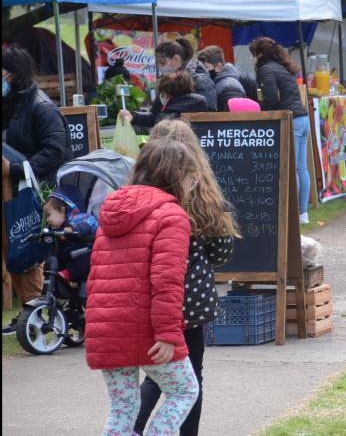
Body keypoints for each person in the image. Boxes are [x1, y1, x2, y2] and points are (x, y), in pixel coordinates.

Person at [85, 139, 200, 435]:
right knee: (185, 390)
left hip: (106, 327)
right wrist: (168, 333)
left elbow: (98, 276)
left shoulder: (111, 212)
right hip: (146, 328)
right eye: (191, 176)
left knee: (123, 409)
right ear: (177, 176)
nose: (194, 183)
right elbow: (167, 282)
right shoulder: (172, 216)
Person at [134, 119, 238, 436]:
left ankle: (135, 428)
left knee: (156, 373)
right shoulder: (204, 197)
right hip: (192, 303)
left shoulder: (138, 197)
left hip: (149, 299)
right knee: (191, 374)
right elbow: (222, 249)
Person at [2, 46, 70, 334]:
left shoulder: (41, 107)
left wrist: (16, 170)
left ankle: (35, 315)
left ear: (13, 74)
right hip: (11, 191)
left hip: (32, 191)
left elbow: (55, 151)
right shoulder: (11, 103)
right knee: (14, 251)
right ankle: (26, 316)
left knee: (27, 251)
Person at [249, 36, 311, 224]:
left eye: (252, 54)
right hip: (302, 118)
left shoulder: (266, 69)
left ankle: (292, 213)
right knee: (301, 167)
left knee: (291, 167)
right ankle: (303, 214)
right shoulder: (284, 67)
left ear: (259, 54)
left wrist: (262, 110)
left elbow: (270, 98)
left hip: (290, 119)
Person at [42, 186, 98, 287]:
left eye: (49, 215)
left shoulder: (77, 217)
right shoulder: (55, 228)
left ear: (62, 211)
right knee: (50, 261)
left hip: (82, 253)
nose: (47, 220)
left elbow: (92, 222)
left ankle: (68, 275)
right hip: (67, 256)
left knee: (86, 260)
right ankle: (52, 283)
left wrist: (74, 228)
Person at [121, 72, 210, 132]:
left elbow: (155, 119)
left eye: (163, 93)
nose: (162, 96)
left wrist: (133, 117)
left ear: (169, 93)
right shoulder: (199, 102)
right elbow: (153, 117)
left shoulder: (169, 112)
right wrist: (134, 117)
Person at [155, 38, 216, 111]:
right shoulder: (167, 82)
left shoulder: (200, 81)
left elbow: (207, 115)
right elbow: (155, 113)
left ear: (175, 60)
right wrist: (137, 117)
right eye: (157, 63)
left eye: (162, 62)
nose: (159, 66)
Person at [197, 45, 246, 111]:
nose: (202, 72)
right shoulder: (219, 83)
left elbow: (234, 117)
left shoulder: (230, 87)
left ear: (219, 67)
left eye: (205, 68)